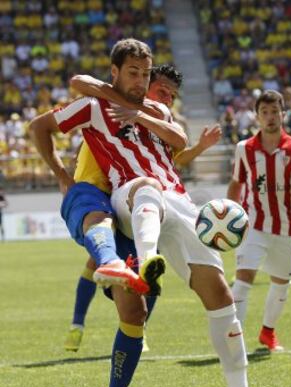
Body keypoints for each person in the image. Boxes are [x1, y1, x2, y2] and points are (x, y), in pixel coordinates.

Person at [31, 38, 276, 387]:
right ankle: (147, 264)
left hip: (178, 201)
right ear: (114, 72)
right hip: (128, 193)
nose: (142, 80)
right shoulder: (94, 106)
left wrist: (138, 112)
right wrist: (62, 175)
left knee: (220, 295)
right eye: (133, 72)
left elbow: (178, 140)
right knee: (145, 185)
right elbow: (40, 125)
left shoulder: (157, 108)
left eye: (146, 73)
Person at [64, 65, 221, 352]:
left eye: (172, 96)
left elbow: (174, 160)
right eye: (163, 92)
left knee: (147, 268)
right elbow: (80, 85)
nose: (168, 100)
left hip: (137, 198)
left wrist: (200, 147)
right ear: (143, 87)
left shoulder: (157, 123)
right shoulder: (110, 111)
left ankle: (137, 328)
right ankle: (77, 325)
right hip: (102, 194)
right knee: (99, 260)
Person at [228, 90, 291, 351]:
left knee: (281, 285)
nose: (270, 117)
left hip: (285, 228)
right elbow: (236, 184)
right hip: (253, 225)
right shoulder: (244, 149)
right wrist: (230, 217)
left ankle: (267, 333)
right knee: (243, 280)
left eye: (274, 112)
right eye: (264, 113)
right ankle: (234, 338)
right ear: (257, 116)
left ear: (283, 114)